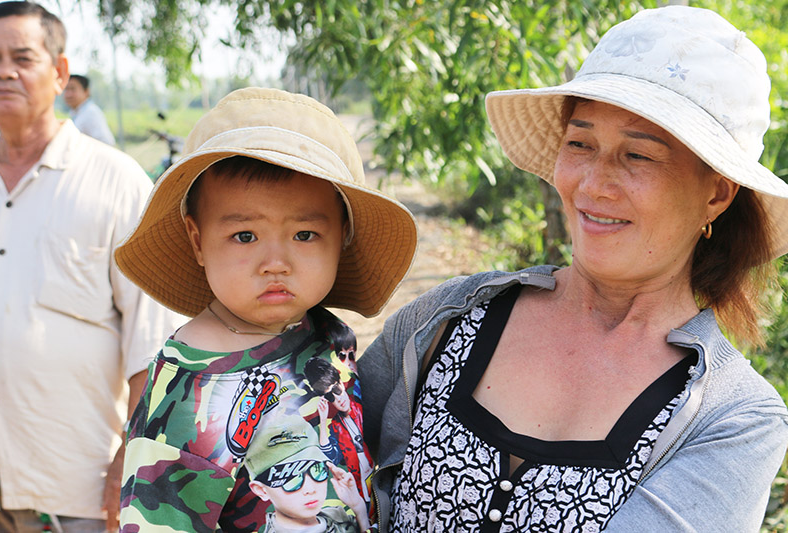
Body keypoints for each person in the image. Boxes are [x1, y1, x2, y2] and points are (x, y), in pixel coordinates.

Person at [359, 6, 788, 532]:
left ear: (716, 194)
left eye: (638, 156)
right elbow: (312, 454)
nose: (591, 185)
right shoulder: (447, 321)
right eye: (579, 144)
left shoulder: (733, 419)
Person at [114, 87, 417, 532]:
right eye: (245, 236)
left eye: (305, 235)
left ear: (343, 235)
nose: (276, 263)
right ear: (198, 241)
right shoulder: (190, 397)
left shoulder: (329, 335)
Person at [0, 2, 185, 532]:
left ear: (59, 73)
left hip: (76, 487)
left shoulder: (114, 181)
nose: (2, 70)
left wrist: (132, 460)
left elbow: (154, 344)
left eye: (20, 57)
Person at [245, 415, 370, 532]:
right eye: (292, 479)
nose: (310, 489)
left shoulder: (337, 516)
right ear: (261, 490)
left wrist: (359, 508)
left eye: (317, 469)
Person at [305, 357, 373, 505]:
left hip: (378, 478)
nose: (337, 398)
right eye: (329, 396)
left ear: (341, 383)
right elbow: (331, 457)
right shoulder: (336, 426)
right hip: (360, 488)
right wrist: (323, 422)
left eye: (336, 389)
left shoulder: (360, 402)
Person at [62, 74, 116, 146]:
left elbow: (107, 142)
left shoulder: (90, 113)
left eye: (73, 89)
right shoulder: (77, 112)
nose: (68, 94)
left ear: (86, 91)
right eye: (66, 89)